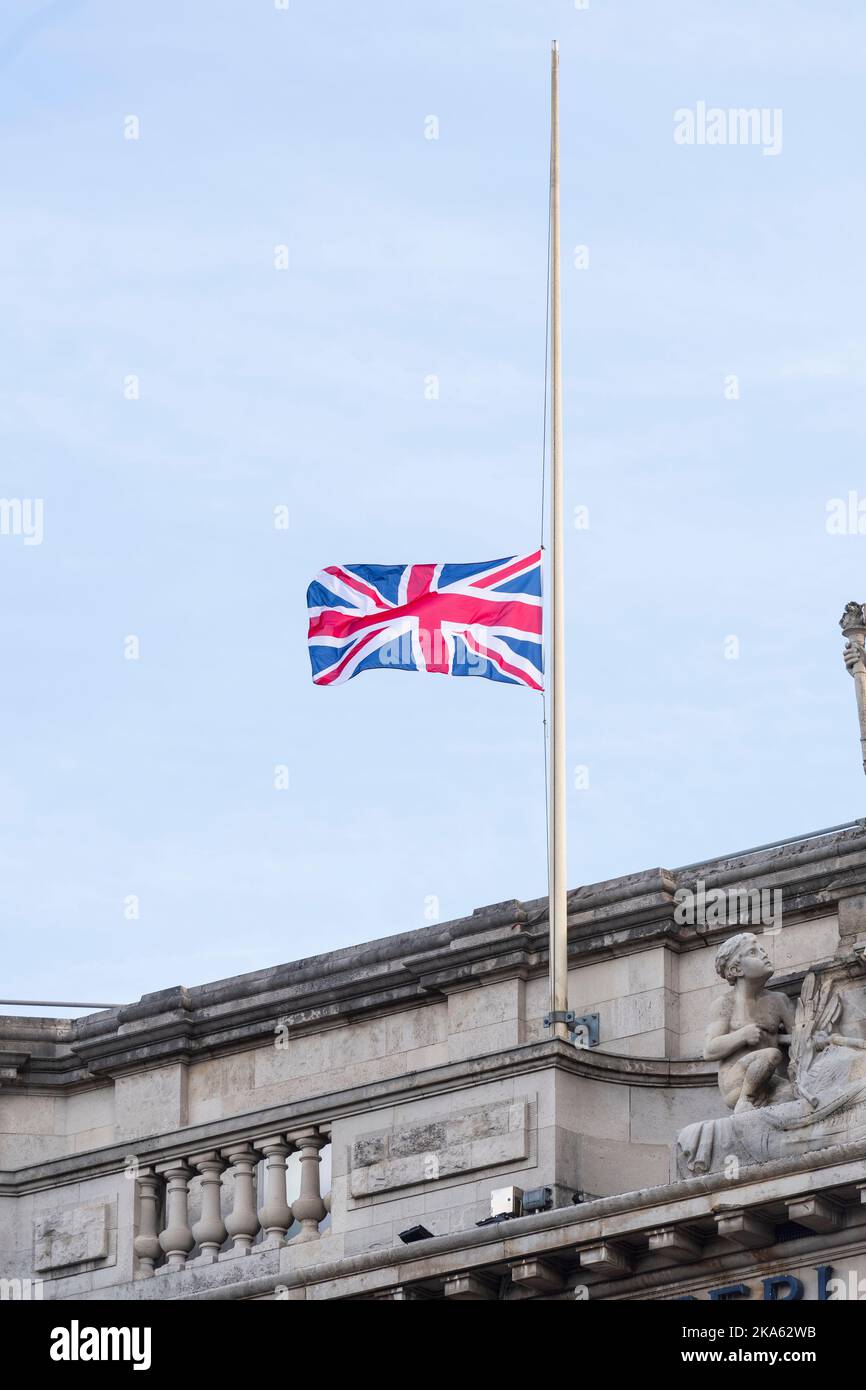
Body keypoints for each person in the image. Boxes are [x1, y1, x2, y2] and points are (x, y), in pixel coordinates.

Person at [703, 932, 795, 1112]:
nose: (764, 954)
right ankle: (745, 1101)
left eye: (762, 949)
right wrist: (742, 1035)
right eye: (754, 952)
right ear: (736, 970)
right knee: (771, 1055)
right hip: (736, 1082)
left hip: (769, 1081)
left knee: (793, 1095)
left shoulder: (779, 1000)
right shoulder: (725, 1004)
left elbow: (798, 1036)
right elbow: (709, 1050)